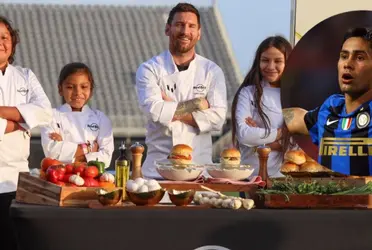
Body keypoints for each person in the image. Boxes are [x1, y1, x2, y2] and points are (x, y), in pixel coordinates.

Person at [135, 3, 227, 179]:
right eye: (179, 25)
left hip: (200, 170)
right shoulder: (149, 69)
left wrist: (169, 107)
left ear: (199, 33)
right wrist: (198, 104)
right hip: (158, 170)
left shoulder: (211, 71)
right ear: (167, 29)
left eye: (191, 26)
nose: (185, 31)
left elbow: (218, 119)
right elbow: (154, 111)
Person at [283, 27, 372, 176]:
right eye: (344, 56)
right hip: (329, 198)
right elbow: (298, 117)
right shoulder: (331, 107)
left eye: (360, 58)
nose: (347, 64)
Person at [0, 16, 52, 250]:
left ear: (13, 42)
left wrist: (2, 112)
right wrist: (21, 122)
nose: (0, 42)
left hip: (16, 180)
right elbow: (32, 117)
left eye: (4, 37)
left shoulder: (25, 75)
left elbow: (44, 112)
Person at [231, 36, 294, 178]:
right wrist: (279, 134)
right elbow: (243, 134)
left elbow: (300, 143)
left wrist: (259, 141)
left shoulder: (298, 96)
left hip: (284, 179)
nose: (271, 67)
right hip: (250, 177)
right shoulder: (248, 93)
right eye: (265, 60)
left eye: (278, 61)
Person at [41, 62, 114, 168]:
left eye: (84, 87)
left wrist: (65, 150)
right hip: (60, 178)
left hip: (91, 180)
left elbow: (106, 158)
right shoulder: (50, 116)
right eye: (70, 87)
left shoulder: (101, 119)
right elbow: (51, 152)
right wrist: (89, 148)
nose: (77, 92)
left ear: (91, 90)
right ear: (60, 89)